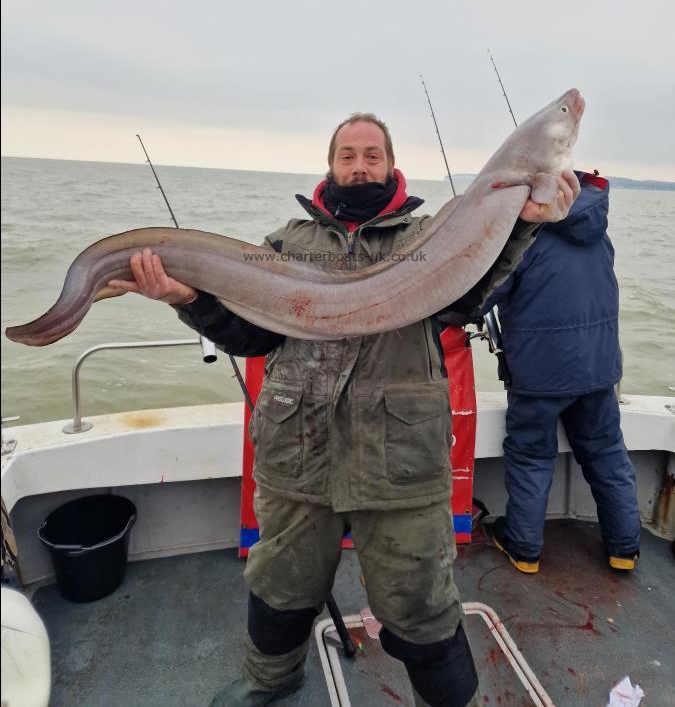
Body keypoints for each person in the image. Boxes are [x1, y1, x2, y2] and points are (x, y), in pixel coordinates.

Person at [109, 115, 579, 707]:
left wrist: (517, 226)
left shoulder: (428, 237)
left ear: (391, 164)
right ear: (330, 165)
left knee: (422, 603)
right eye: (349, 155)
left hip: (401, 461)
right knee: (280, 586)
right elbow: (251, 338)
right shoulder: (281, 247)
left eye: (373, 156)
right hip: (298, 456)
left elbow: (465, 297)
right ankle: (270, 682)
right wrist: (189, 298)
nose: (361, 166)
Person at [481, 171, 641, 575]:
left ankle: (525, 550)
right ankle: (624, 549)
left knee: (532, 456)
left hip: (538, 376)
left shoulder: (525, 238)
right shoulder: (598, 232)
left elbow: (482, 295)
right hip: (600, 370)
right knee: (607, 454)